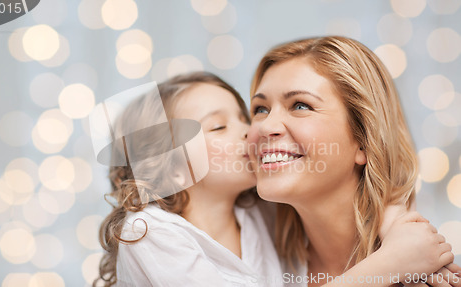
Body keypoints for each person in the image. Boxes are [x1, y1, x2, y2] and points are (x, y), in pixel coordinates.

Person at [94, 71, 457, 287]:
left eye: (246, 117)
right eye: (219, 126)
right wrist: (391, 263)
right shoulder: (148, 231)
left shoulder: (260, 213)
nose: (253, 132)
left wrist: (397, 226)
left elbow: (354, 192)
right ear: (170, 167)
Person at [247, 36, 460, 286]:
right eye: (260, 109)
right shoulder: (252, 257)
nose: (266, 126)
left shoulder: (428, 275)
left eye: (301, 105)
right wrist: (389, 263)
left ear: (364, 140)